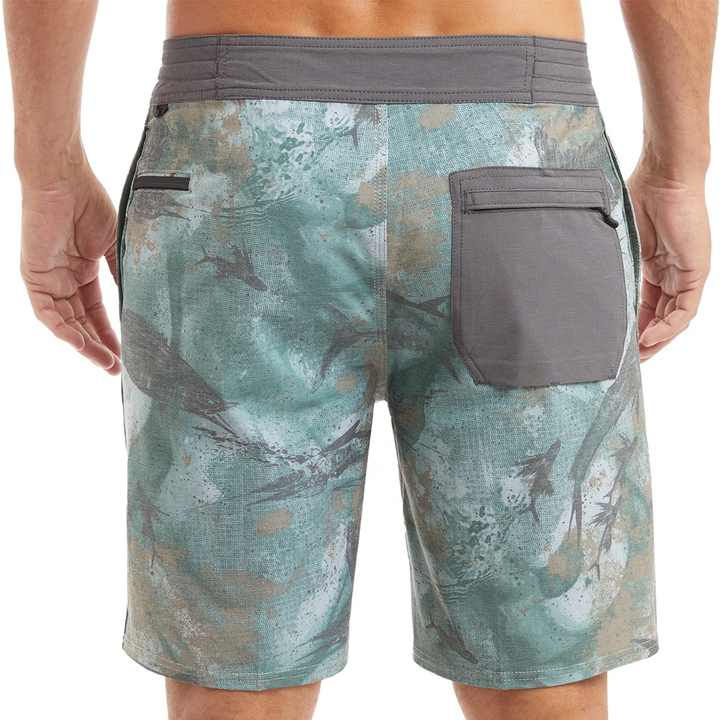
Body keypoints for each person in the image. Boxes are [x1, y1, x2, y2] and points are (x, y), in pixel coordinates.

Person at [4, 1, 715, 719]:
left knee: (235, 675)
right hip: (524, 154)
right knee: (543, 666)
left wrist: (50, 173)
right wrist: (678, 173)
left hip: (240, 153)